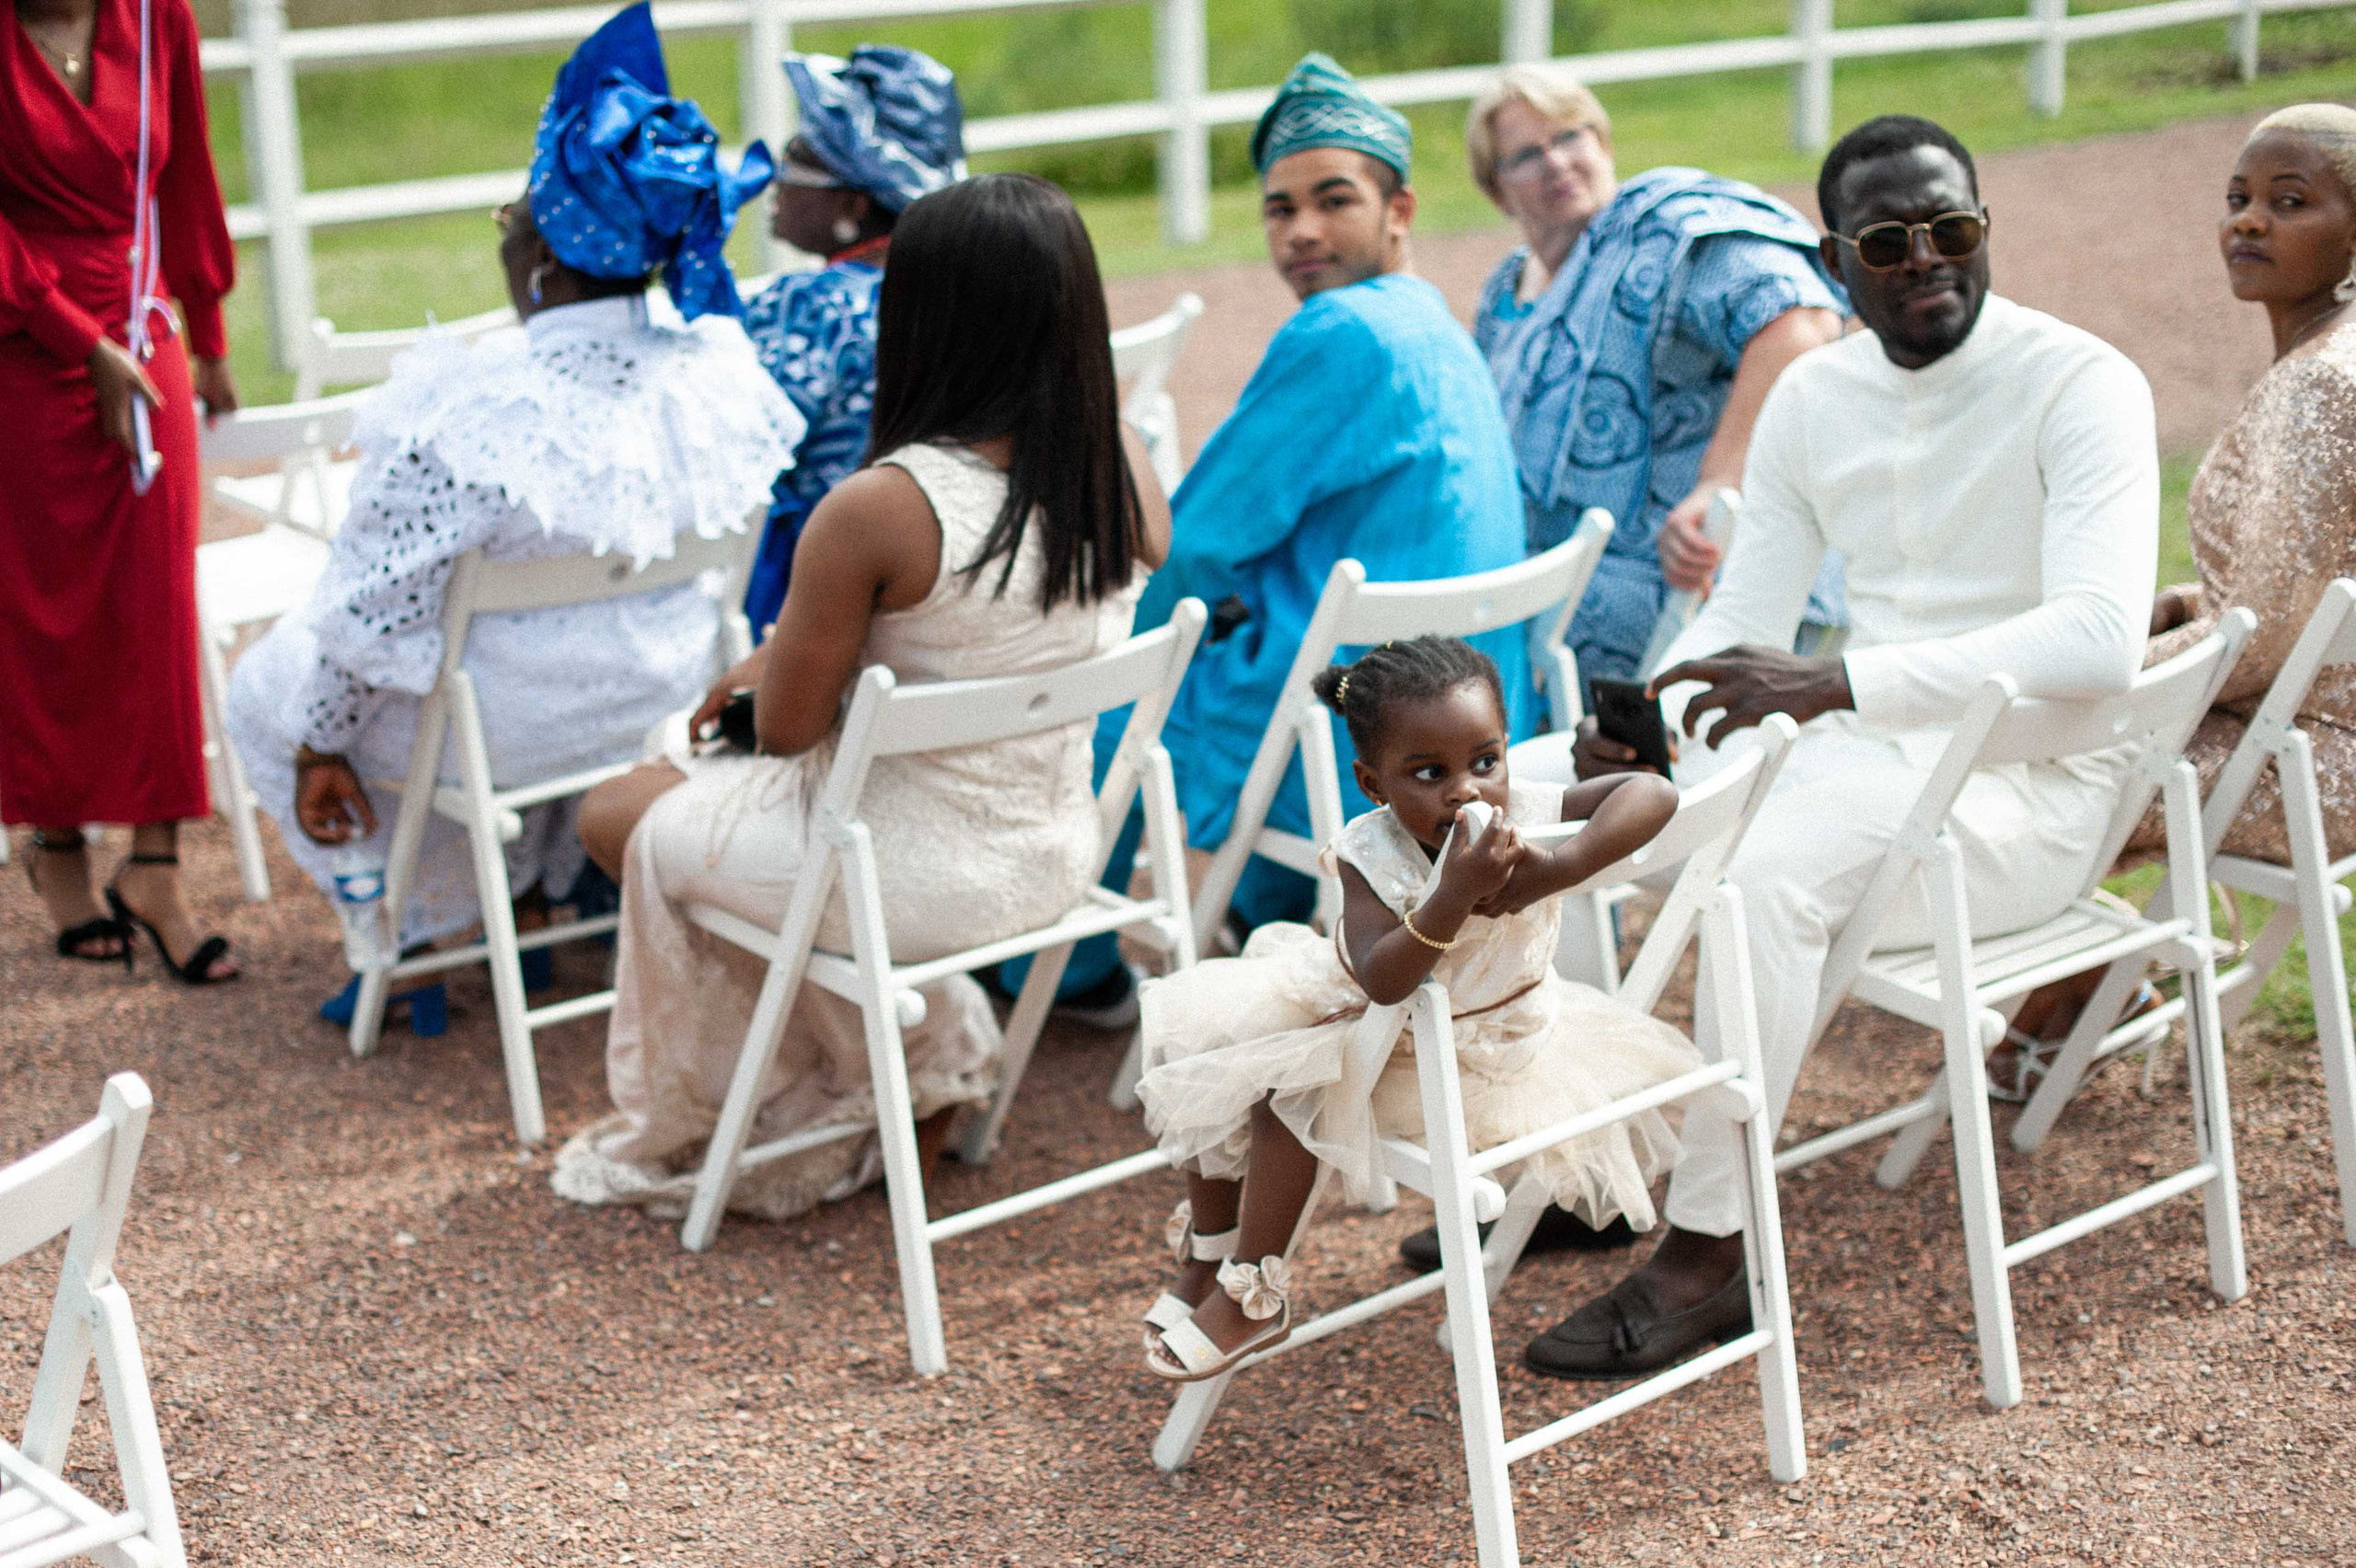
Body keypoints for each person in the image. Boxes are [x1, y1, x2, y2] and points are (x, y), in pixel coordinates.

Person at [1519, 115, 2159, 1380]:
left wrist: (1836, 681)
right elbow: (1746, 625)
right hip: (1856, 753)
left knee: (1755, 885)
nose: (1927, 260)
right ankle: (1584, 1165)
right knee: (1547, 794)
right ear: (1833, 262)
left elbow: (2098, 642)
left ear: (1984, 228)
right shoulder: (1816, 393)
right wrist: (1652, 712)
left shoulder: (2085, 381)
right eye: (1888, 240)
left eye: (1954, 229)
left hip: (2022, 793)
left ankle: (1709, 1250)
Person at [551, 172, 1170, 1221]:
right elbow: (997, 633)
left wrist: (777, 669)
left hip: (895, 877)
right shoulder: (1119, 464)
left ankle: (890, 1070)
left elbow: (789, 730)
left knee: (613, 815)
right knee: (696, 797)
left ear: (919, 317)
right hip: (1055, 855)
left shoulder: (882, 507)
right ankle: (916, 1057)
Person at [225, 1, 800, 1007]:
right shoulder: (723, 378)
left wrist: (318, 743)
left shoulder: (467, 413)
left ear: (540, 263)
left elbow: (368, 625)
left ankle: (433, 925)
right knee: (495, 655)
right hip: (656, 700)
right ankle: (533, 892)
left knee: (271, 682)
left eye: (510, 217)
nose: (504, 233)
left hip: (498, 736)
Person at [1037, 53, 1530, 1022]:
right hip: (1474, 721)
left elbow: (1198, 539)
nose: (1300, 230)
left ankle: (1057, 971)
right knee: (1208, 636)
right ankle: (1261, 915)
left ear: (1399, 210)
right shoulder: (1426, 319)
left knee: (1109, 683)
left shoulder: (1341, 331)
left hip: (1349, 726)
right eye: (1278, 209)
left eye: (1331, 200)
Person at [1136, 637, 1693, 1380]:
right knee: (1219, 1054)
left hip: (1472, 1050)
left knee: (1279, 1103)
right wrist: (1452, 897)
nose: (1466, 791)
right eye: (1429, 774)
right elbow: (1382, 978)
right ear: (1373, 782)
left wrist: (1556, 869)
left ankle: (1253, 1295)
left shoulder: (1525, 808)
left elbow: (1654, 791)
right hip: (1370, 1013)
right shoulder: (1369, 852)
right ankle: (1212, 1255)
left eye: (1484, 761)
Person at [1996, 103, 2356, 1078]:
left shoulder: (2318, 385)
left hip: (2309, 759)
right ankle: (2081, 999)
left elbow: (2269, 640)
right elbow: (2313, 590)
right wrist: (2186, 607)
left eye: (2289, 202)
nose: (2247, 222)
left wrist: (2106, 667)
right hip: (2310, 723)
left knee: (2017, 766)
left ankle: (2083, 985)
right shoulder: (2337, 358)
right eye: (2237, 198)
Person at [1467, 66, 1848, 687]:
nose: (1557, 163)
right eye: (1526, 156)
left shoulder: (1663, 230)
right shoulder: (1501, 296)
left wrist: (1718, 486)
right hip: (1563, 652)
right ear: (1497, 190)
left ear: (1603, 143)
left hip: (1702, 613)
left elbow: (1799, 321)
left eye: (1570, 137)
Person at [4, 0, 239, 980]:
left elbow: (184, 177)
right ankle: (55, 842)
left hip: (142, 335)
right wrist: (74, 339)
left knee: (153, 610)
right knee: (39, 611)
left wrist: (210, 330)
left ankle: (155, 866)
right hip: (20, 341)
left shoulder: (156, 18)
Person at [739, 45, 965, 635]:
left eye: (796, 161)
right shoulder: (963, 286)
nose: (775, 181)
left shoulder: (810, 308)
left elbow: (733, 453)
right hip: (939, 565)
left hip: (811, 593)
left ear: (852, 205)